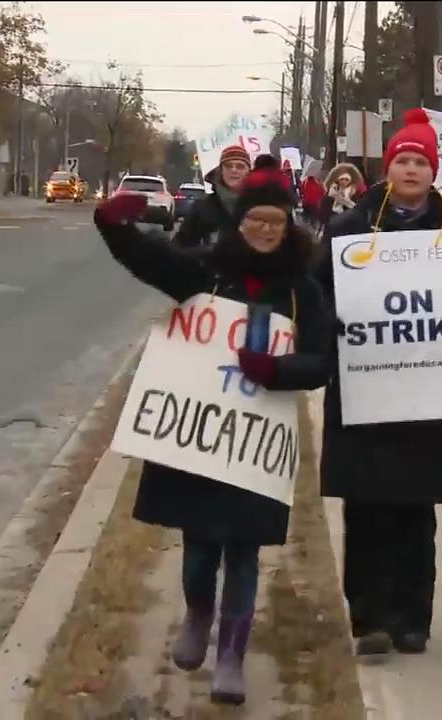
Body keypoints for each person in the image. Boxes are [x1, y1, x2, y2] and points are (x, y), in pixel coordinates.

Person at [94, 154, 331, 704]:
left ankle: (231, 655)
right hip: (200, 445)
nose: (264, 231)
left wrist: (276, 369)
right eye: (255, 221)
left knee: (243, 554)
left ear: (289, 226)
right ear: (239, 222)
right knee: (199, 547)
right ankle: (198, 612)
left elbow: (322, 362)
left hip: (255, 446)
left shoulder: (303, 291)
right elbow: (152, 261)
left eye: (275, 222)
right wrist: (114, 226)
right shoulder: (209, 271)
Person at [316, 108, 442, 658]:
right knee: (366, 508)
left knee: (415, 512)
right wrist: (333, 324)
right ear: (388, 167)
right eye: (403, 160)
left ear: (433, 171)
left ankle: (411, 618)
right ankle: (369, 618)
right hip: (365, 387)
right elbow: (318, 289)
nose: (411, 169)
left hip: (428, 391)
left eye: (421, 162)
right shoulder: (350, 229)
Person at [175, 144, 252, 256]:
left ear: (249, 172)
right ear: (221, 171)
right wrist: (204, 254)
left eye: (240, 166)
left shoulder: (259, 206)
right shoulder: (202, 207)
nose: (234, 170)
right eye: (228, 166)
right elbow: (180, 247)